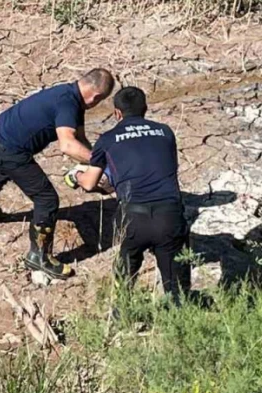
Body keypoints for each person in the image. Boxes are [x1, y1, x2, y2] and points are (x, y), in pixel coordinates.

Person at [0, 69, 115, 280]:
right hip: (10, 148)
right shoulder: (68, 104)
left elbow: (79, 138)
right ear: (97, 97)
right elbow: (68, 145)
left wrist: (94, 167)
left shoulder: (70, 94)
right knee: (47, 199)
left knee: (3, 169)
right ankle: (39, 257)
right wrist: (101, 163)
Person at [73, 86, 192, 302]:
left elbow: (90, 184)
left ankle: (121, 316)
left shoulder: (107, 139)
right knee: (178, 293)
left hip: (133, 219)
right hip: (169, 216)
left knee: (125, 278)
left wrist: (76, 177)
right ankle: (178, 318)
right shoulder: (165, 132)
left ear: (117, 113)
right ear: (145, 108)